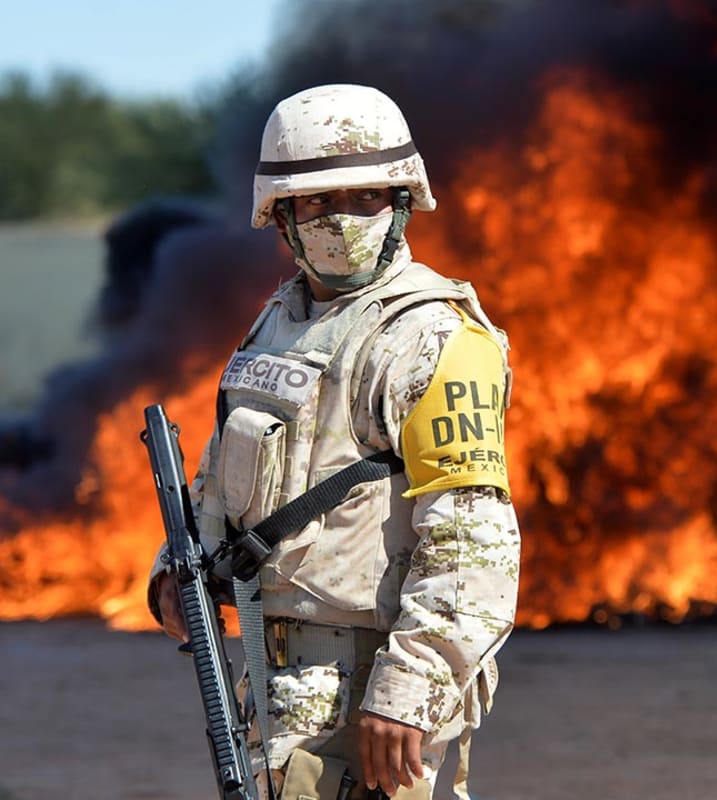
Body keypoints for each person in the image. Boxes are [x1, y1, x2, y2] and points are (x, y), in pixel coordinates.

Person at [147, 83, 520, 800]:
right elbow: (228, 471)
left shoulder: (435, 336)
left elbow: (475, 541)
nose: (339, 219)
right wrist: (180, 564)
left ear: (402, 200)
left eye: (363, 197)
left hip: (369, 694)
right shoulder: (280, 321)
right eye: (316, 202)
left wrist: (408, 690)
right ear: (280, 214)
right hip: (276, 681)